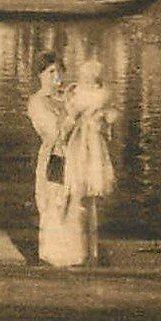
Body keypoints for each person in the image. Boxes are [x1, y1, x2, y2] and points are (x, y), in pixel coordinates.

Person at [28, 51, 87, 267]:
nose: (56, 76)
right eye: (51, 71)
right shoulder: (38, 102)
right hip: (55, 161)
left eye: (59, 70)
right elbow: (55, 133)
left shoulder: (67, 97)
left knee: (79, 211)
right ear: (40, 75)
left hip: (78, 160)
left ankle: (81, 260)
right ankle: (58, 263)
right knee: (58, 210)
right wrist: (73, 113)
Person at [57, 58, 119, 264]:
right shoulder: (81, 99)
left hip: (87, 153)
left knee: (83, 200)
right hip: (81, 152)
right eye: (86, 79)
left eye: (91, 80)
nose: (87, 83)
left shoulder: (90, 99)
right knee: (80, 200)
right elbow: (66, 130)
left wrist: (98, 120)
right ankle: (82, 250)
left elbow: (105, 119)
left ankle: (86, 251)